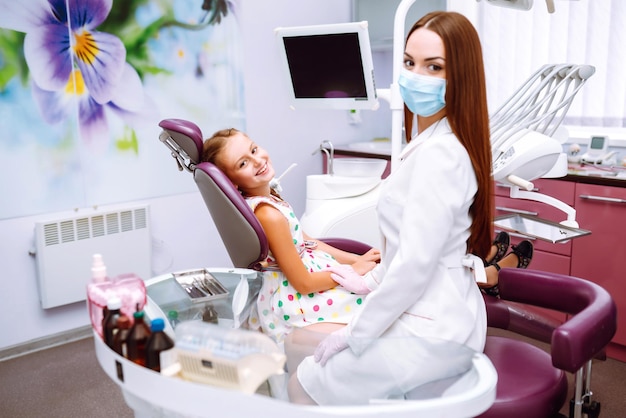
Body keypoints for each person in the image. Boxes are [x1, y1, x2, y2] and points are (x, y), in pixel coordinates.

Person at [288, 11, 498, 405]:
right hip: (427, 307)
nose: (415, 76)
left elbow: (415, 265)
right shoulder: (435, 140)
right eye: (409, 63)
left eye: (433, 67)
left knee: (304, 382)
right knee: (302, 350)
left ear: (461, 76)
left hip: (431, 330)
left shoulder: (440, 154)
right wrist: (368, 281)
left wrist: (353, 334)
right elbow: (410, 246)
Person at [201, 128, 381, 344]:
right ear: (233, 183)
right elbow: (303, 283)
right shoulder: (268, 215)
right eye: (243, 163)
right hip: (295, 299)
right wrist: (352, 270)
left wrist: (356, 260)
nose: (258, 161)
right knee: (377, 305)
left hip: (310, 276)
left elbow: (307, 241)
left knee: (379, 286)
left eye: (254, 150)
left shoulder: (269, 198)